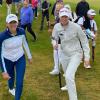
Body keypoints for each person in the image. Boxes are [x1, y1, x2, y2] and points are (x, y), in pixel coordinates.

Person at [52, 7, 90, 100]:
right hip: (64, 54)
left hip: (76, 53)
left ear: (68, 16)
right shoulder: (57, 26)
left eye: (66, 16)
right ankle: (68, 85)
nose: (64, 19)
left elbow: (84, 41)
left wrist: (87, 57)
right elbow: (54, 38)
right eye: (62, 17)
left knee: (69, 76)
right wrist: (54, 44)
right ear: (59, 17)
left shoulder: (76, 27)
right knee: (66, 74)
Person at [0, 14, 32, 100]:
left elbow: (25, 43)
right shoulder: (2, 36)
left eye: (15, 22)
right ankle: (11, 88)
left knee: (19, 81)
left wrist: (29, 56)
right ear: (7, 24)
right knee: (11, 78)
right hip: (7, 60)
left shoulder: (21, 31)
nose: (13, 24)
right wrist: (3, 71)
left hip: (20, 58)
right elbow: (0, 54)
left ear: (17, 23)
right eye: (11, 22)